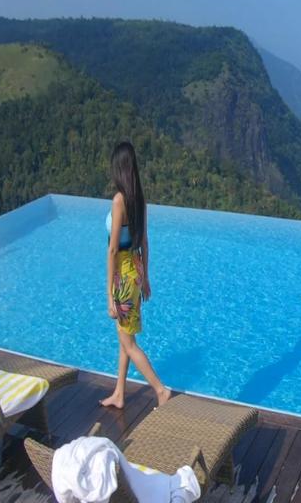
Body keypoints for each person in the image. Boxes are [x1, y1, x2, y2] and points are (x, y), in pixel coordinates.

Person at [100, 141, 171, 409]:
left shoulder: (119, 201)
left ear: (117, 168)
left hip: (123, 276)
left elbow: (113, 250)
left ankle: (160, 389)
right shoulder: (138, 199)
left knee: (129, 343)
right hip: (136, 272)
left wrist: (109, 295)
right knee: (125, 336)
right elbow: (145, 241)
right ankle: (119, 393)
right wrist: (146, 277)